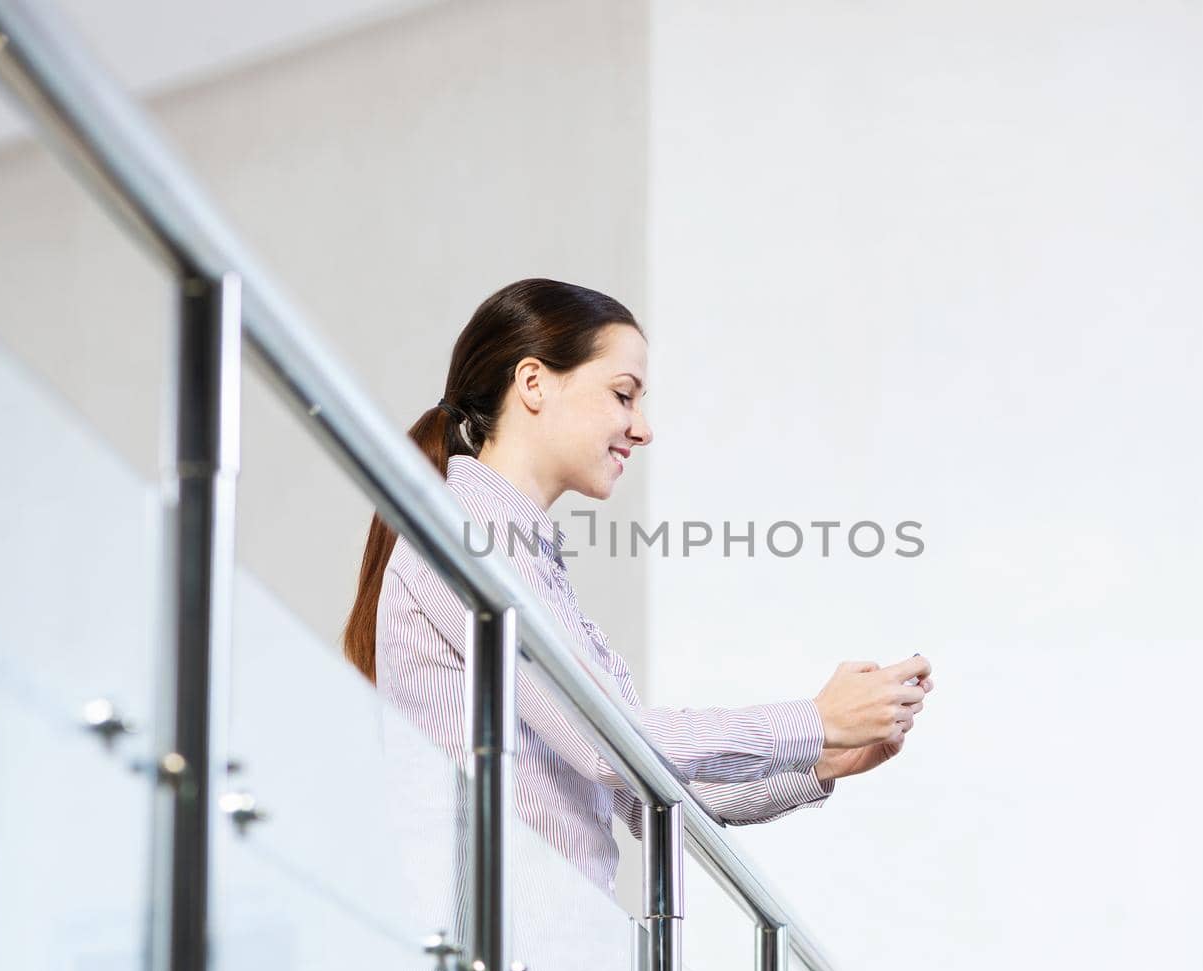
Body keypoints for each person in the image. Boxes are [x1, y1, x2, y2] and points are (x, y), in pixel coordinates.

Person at [342, 278, 934, 904]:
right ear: (534, 383)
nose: (643, 429)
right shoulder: (462, 534)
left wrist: (821, 760)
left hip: (534, 967)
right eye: (624, 395)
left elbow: (638, 785)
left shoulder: (516, 552)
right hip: (488, 968)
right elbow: (606, 742)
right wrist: (814, 720)